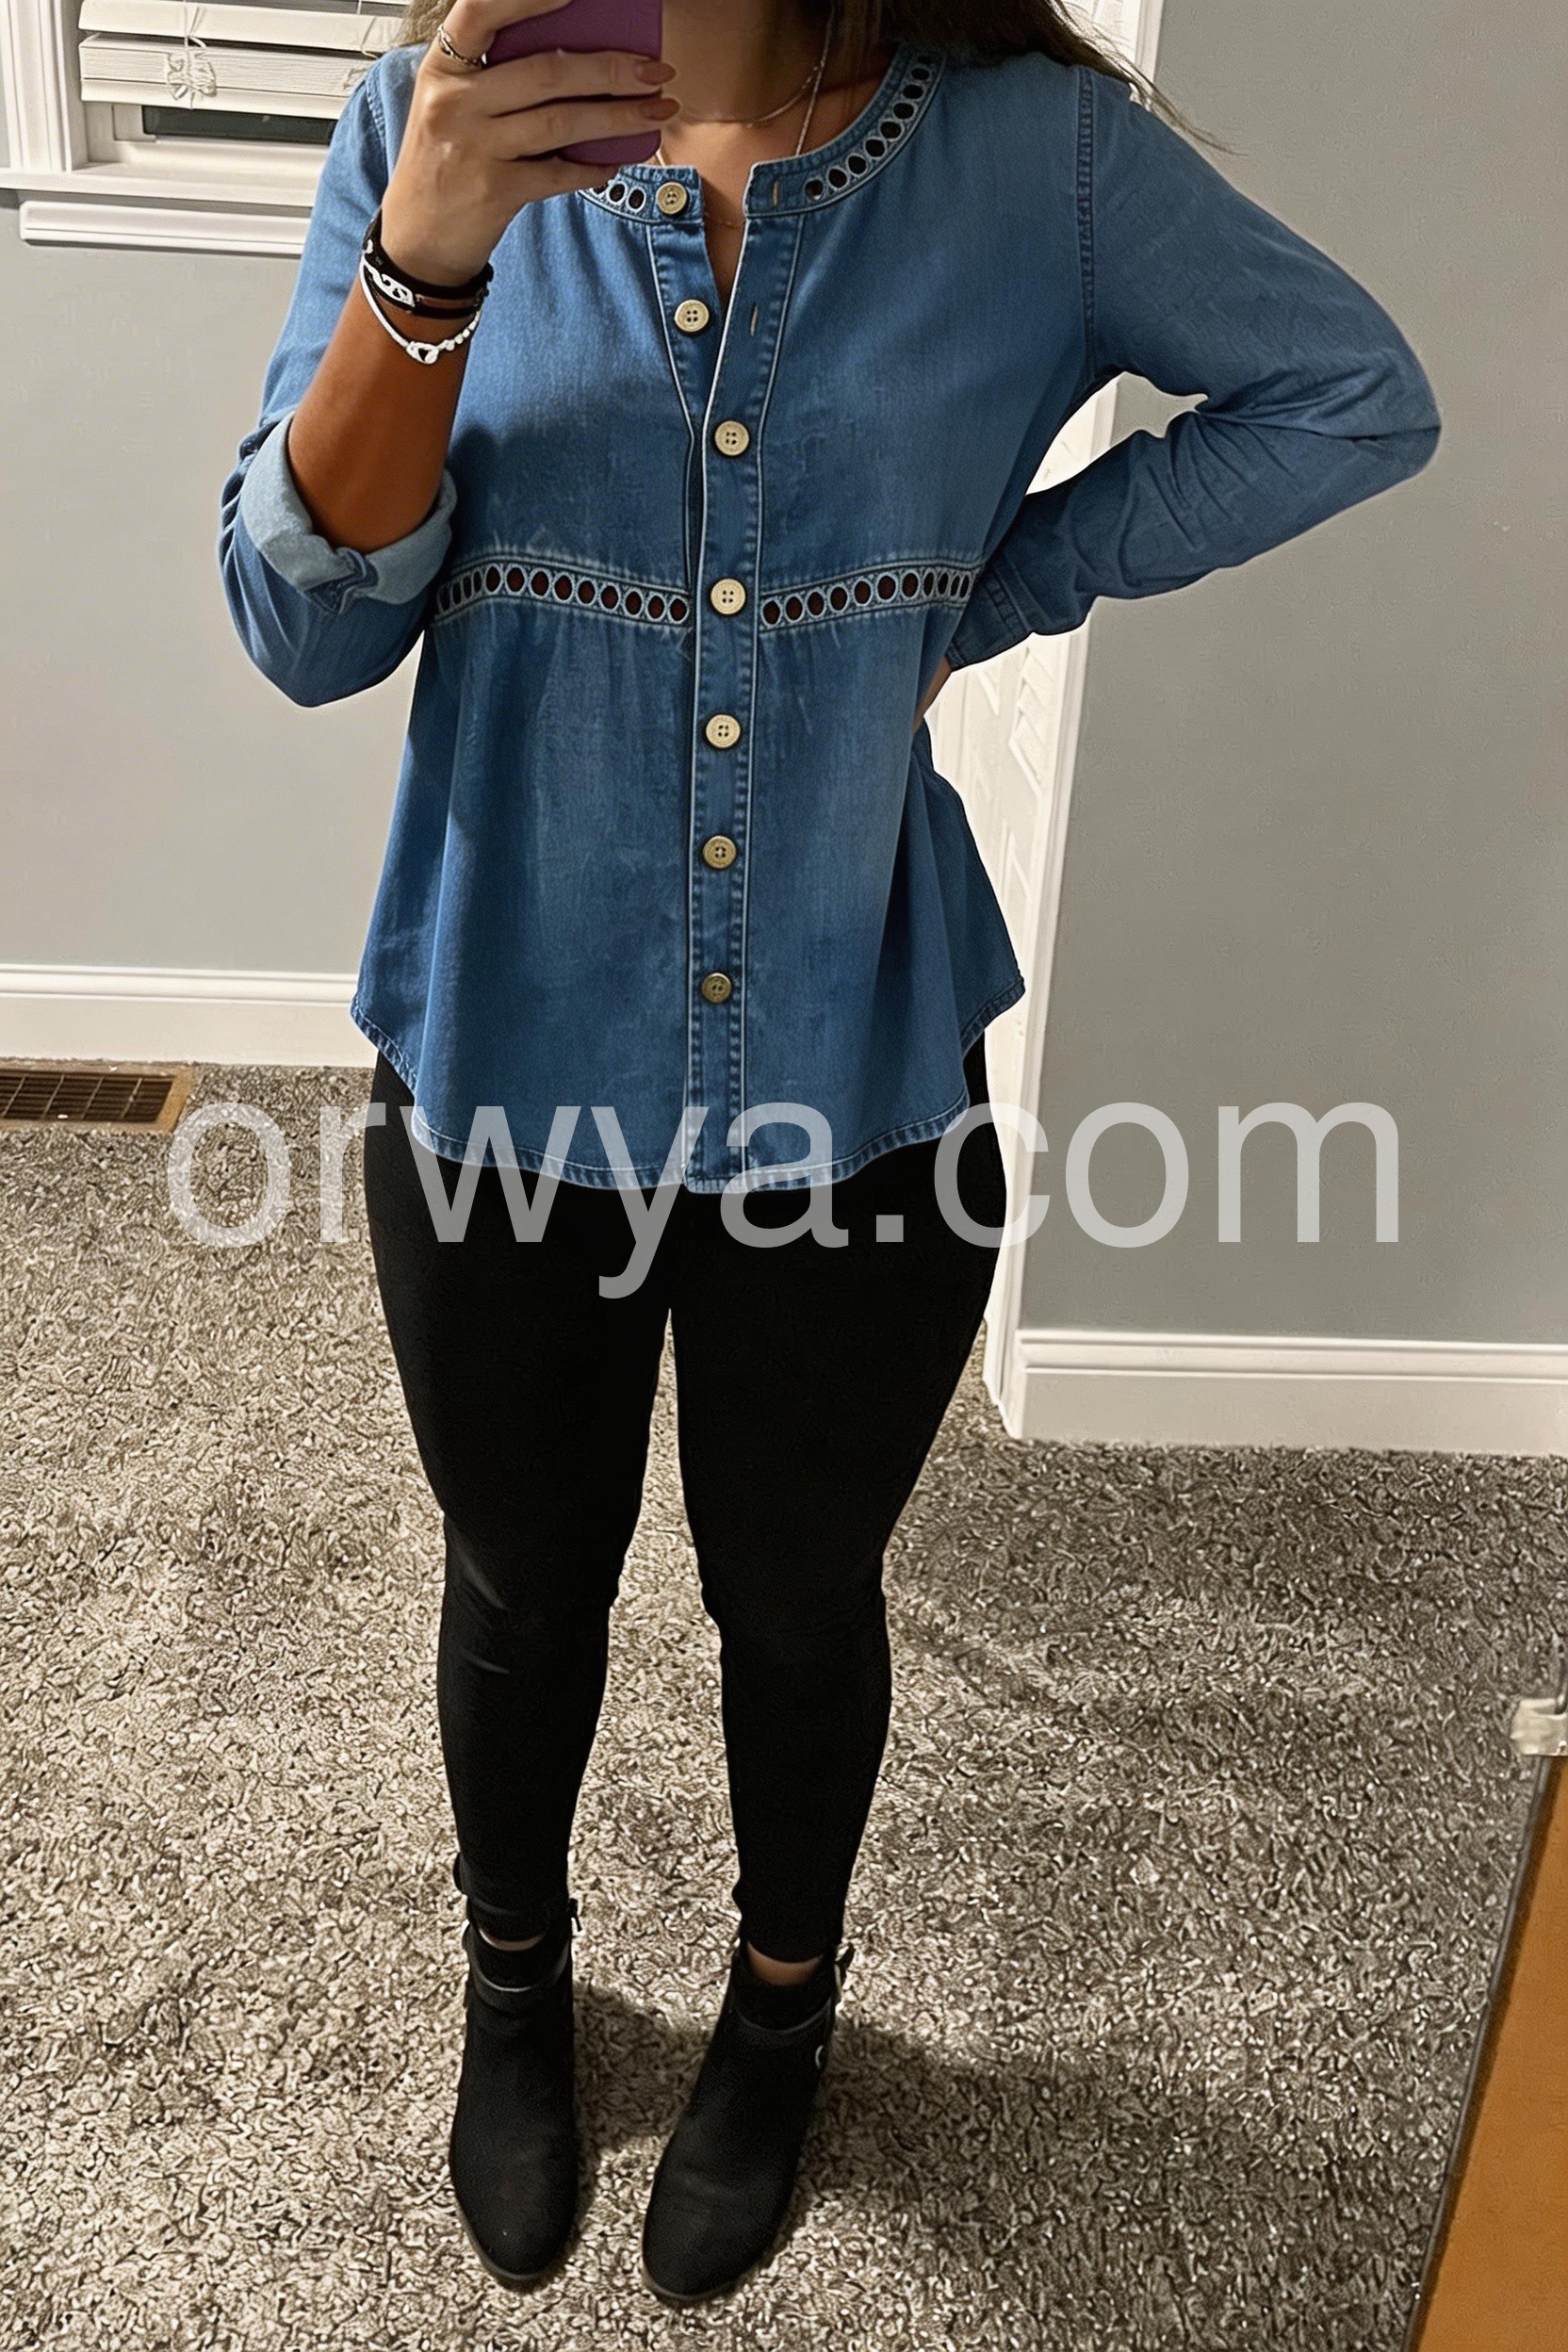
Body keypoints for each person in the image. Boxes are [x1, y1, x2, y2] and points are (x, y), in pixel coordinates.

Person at [218, 0, 1441, 2304]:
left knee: (795, 1595)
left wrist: (997, 582)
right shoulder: (427, 130)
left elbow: (1349, 393)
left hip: (857, 1062)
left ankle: (781, 2016)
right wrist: (425, 265)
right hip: (504, 1054)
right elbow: (300, 625)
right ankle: (515, 1986)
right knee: (522, 1579)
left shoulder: (1035, 164)